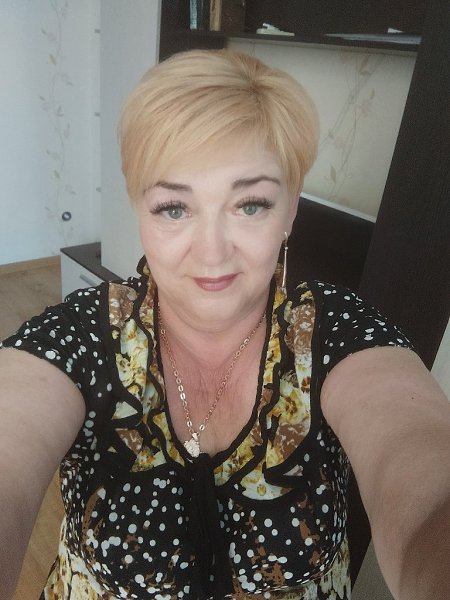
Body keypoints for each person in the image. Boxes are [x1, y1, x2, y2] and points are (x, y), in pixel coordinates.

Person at [0, 49, 449, 600]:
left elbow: (424, 475)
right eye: (174, 208)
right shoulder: (80, 337)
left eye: (250, 204)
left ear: (290, 211)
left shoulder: (334, 333)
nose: (211, 252)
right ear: (139, 210)